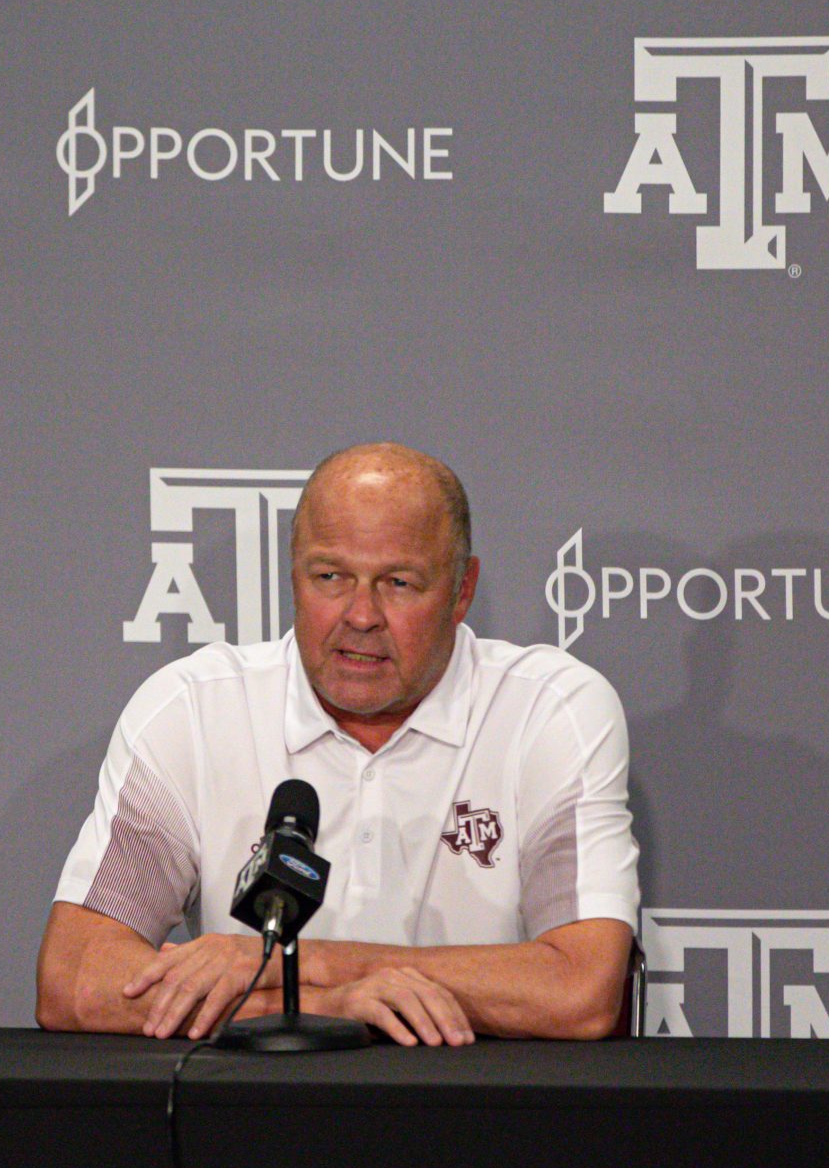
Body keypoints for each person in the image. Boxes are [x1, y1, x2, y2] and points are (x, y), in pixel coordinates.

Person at [35, 442, 638, 1045]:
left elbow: (582, 993)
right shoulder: (192, 710)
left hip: (476, 1121)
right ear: (294, 575)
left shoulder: (549, 710)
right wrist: (337, 1004)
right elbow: (74, 980)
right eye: (330, 577)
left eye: (399, 583)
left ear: (461, 591)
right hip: (256, 1118)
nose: (360, 614)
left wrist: (279, 963)